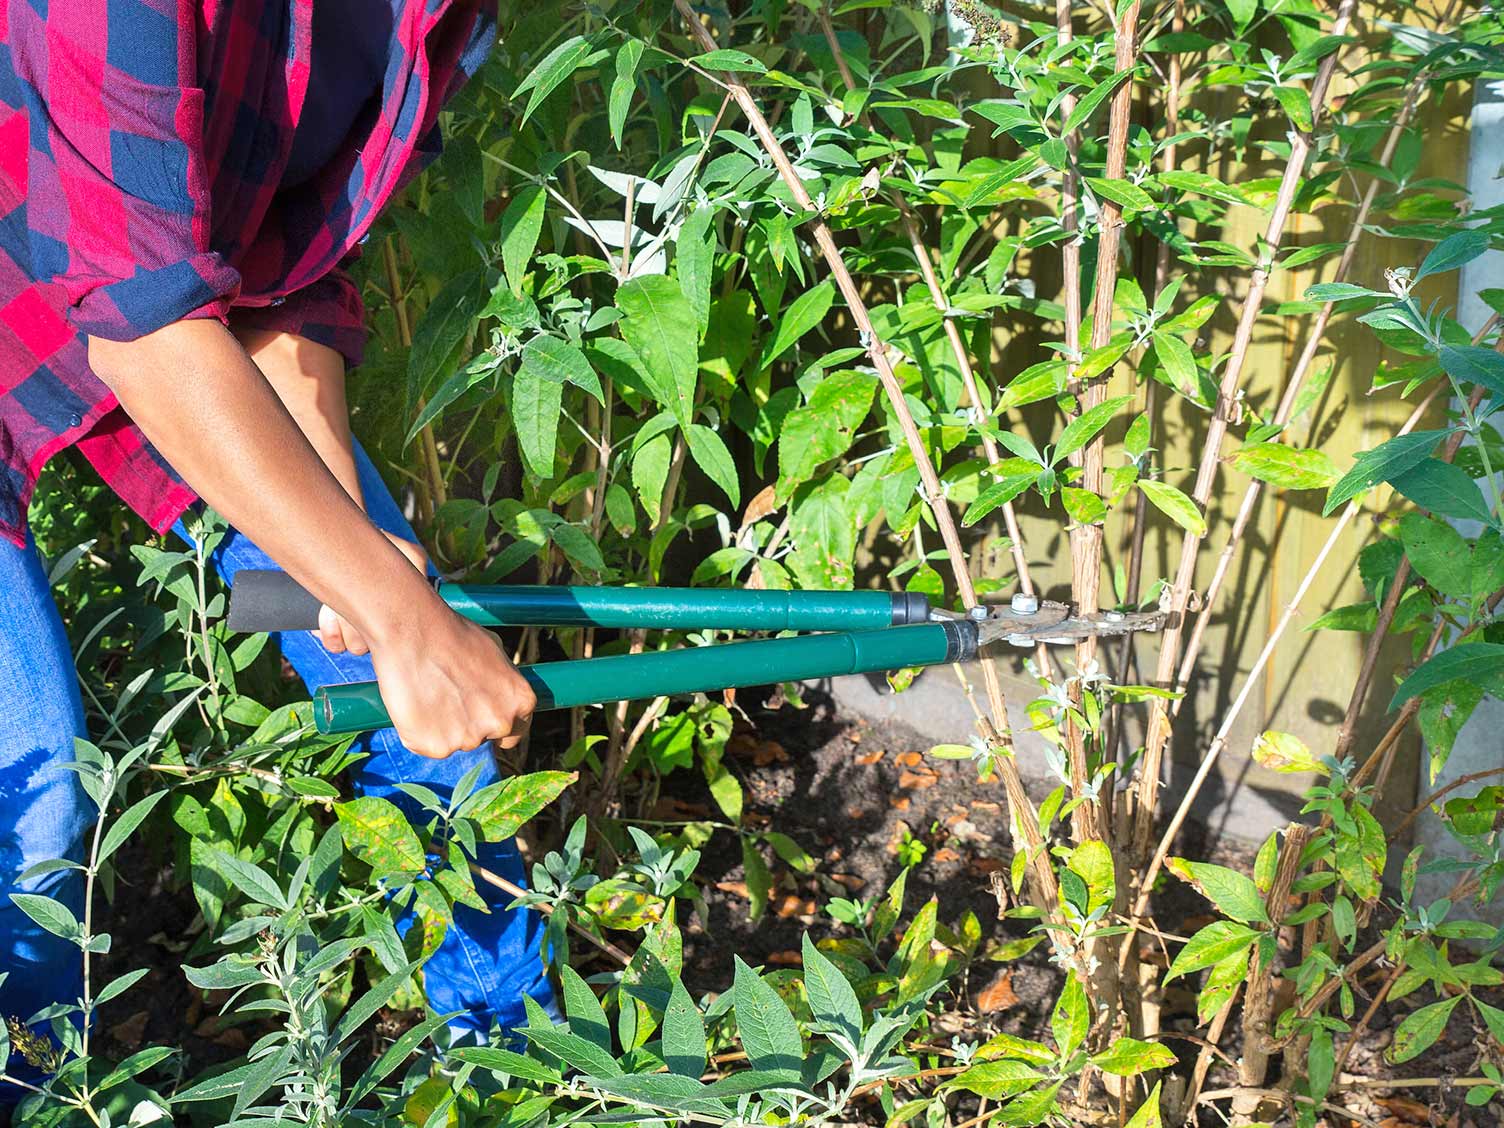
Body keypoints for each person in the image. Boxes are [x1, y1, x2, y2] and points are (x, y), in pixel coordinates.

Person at [0, 0, 552, 1079]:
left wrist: (348, 564)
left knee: (418, 722)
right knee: (31, 811)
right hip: (131, 323)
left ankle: (516, 1080)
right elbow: (149, 333)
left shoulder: (440, 16)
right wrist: (397, 615)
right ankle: (42, 1093)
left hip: (138, 308)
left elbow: (287, 270)